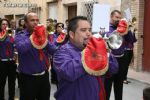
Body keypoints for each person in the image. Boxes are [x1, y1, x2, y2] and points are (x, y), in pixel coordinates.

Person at [53, 16, 103, 100]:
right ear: (72, 34)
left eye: (89, 30)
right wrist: (90, 51)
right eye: (83, 30)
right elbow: (69, 73)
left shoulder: (92, 50)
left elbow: (113, 68)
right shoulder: (61, 52)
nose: (89, 34)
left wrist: (105, 52)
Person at [15, 12, 56, 100]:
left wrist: (44, 37)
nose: (36, 22)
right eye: (32, 20)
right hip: (27, 78)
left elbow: (53, 51)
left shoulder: (44, 34)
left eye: (37, 20)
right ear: (25, 23)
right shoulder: (20, 35)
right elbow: (21, 49)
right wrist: (34, 35)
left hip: (44, 77)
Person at [104, 10, 134, 100]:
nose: (119, 19)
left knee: (119, 85)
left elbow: (131, 40)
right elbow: (109, 41)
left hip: (121, 59)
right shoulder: (106, 28)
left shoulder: (123, 27)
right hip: (109, 60)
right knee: (107, 85)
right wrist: (117, 31)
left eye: (120, 18)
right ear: (111, 17)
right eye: (116, 17)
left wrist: (128, 30)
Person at [0, 18, 17, 100]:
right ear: (0, 25)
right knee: (1, 83)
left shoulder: (11, 34)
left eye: (6, 24)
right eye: (3, 24)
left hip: (11, 62)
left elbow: (15, 46)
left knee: (12, 83)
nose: (5, 26)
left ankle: (11, 98)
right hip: (2, 62)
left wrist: (15, 56)